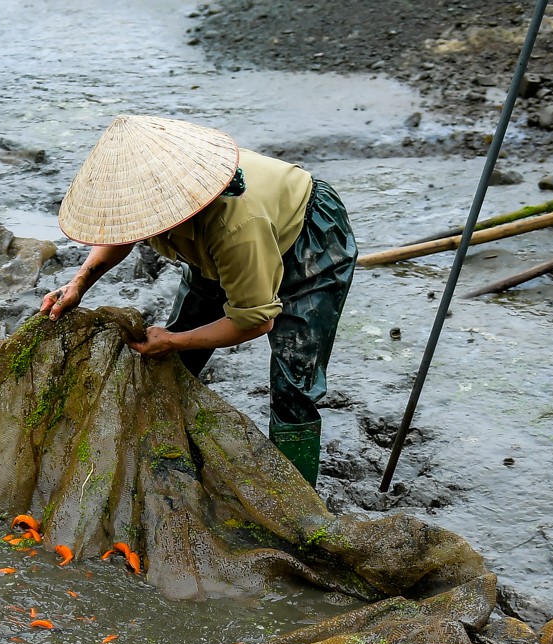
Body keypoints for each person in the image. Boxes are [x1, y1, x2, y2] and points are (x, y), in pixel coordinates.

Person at [39, 115, 356, 486]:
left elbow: (255, 320)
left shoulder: (235, 227)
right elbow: (121, 230)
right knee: (174, 359)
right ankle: (160, 456)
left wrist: (173, 340)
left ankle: (298, 502)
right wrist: (80, 283)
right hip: (214, 244)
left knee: (292, 384)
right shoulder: (154, 199)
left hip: (309, 242)